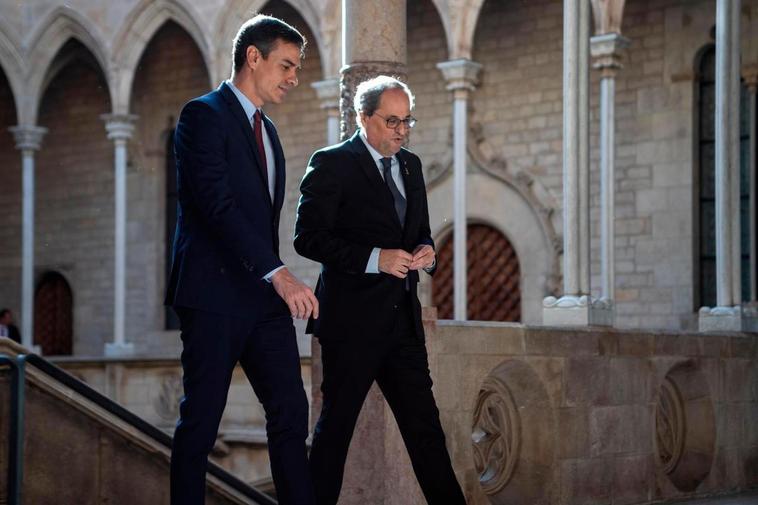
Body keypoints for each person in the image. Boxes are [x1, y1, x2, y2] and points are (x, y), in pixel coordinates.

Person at [165, 14, 318, 505]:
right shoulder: (201, 115)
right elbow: (217, 207)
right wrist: (280, 273)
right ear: (254, 56)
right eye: (287, 65)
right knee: (202, 422)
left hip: (262, 302)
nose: (294, 78)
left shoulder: (269, 134)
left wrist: (272, 277)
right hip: (212, 296)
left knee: (291, 412)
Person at [294, 76, 466, 505]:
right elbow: (307, 238)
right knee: (333, 435)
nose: (402, 131)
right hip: (350, 325)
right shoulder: (331, 162)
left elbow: (420, 233)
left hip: (403, 325)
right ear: (363, 117)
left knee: (427, 434)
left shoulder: (412, 165)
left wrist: (427, 252)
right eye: (392, 121)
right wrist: (376, 258)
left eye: (407, 120)